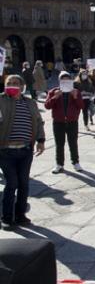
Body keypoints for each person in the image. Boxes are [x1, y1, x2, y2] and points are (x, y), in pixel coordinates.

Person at [0, 75, 45, 230]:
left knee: (24, 184)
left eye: (15, 83)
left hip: (26, 150)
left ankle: (20, 215)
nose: (12, 85)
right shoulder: (1, 100)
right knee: (12, 183)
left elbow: (39, 122)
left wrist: (41, 140)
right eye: (9, 83)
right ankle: (6, 217)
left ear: (23, 86)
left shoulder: (30, 102)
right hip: (6, 150)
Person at [45, 71, 84, 174]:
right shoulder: (53, 91)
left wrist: (75, 97)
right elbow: (47, 106)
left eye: (67, 79)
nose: (65, 81)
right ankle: (59, 164)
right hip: (58, 122)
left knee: (73, 143)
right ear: (59, 81)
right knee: (59, 144)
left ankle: (76, 162)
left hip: (72, 122)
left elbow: (81, 106)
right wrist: (54, 97)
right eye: (63, 79)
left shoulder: (76, 91)